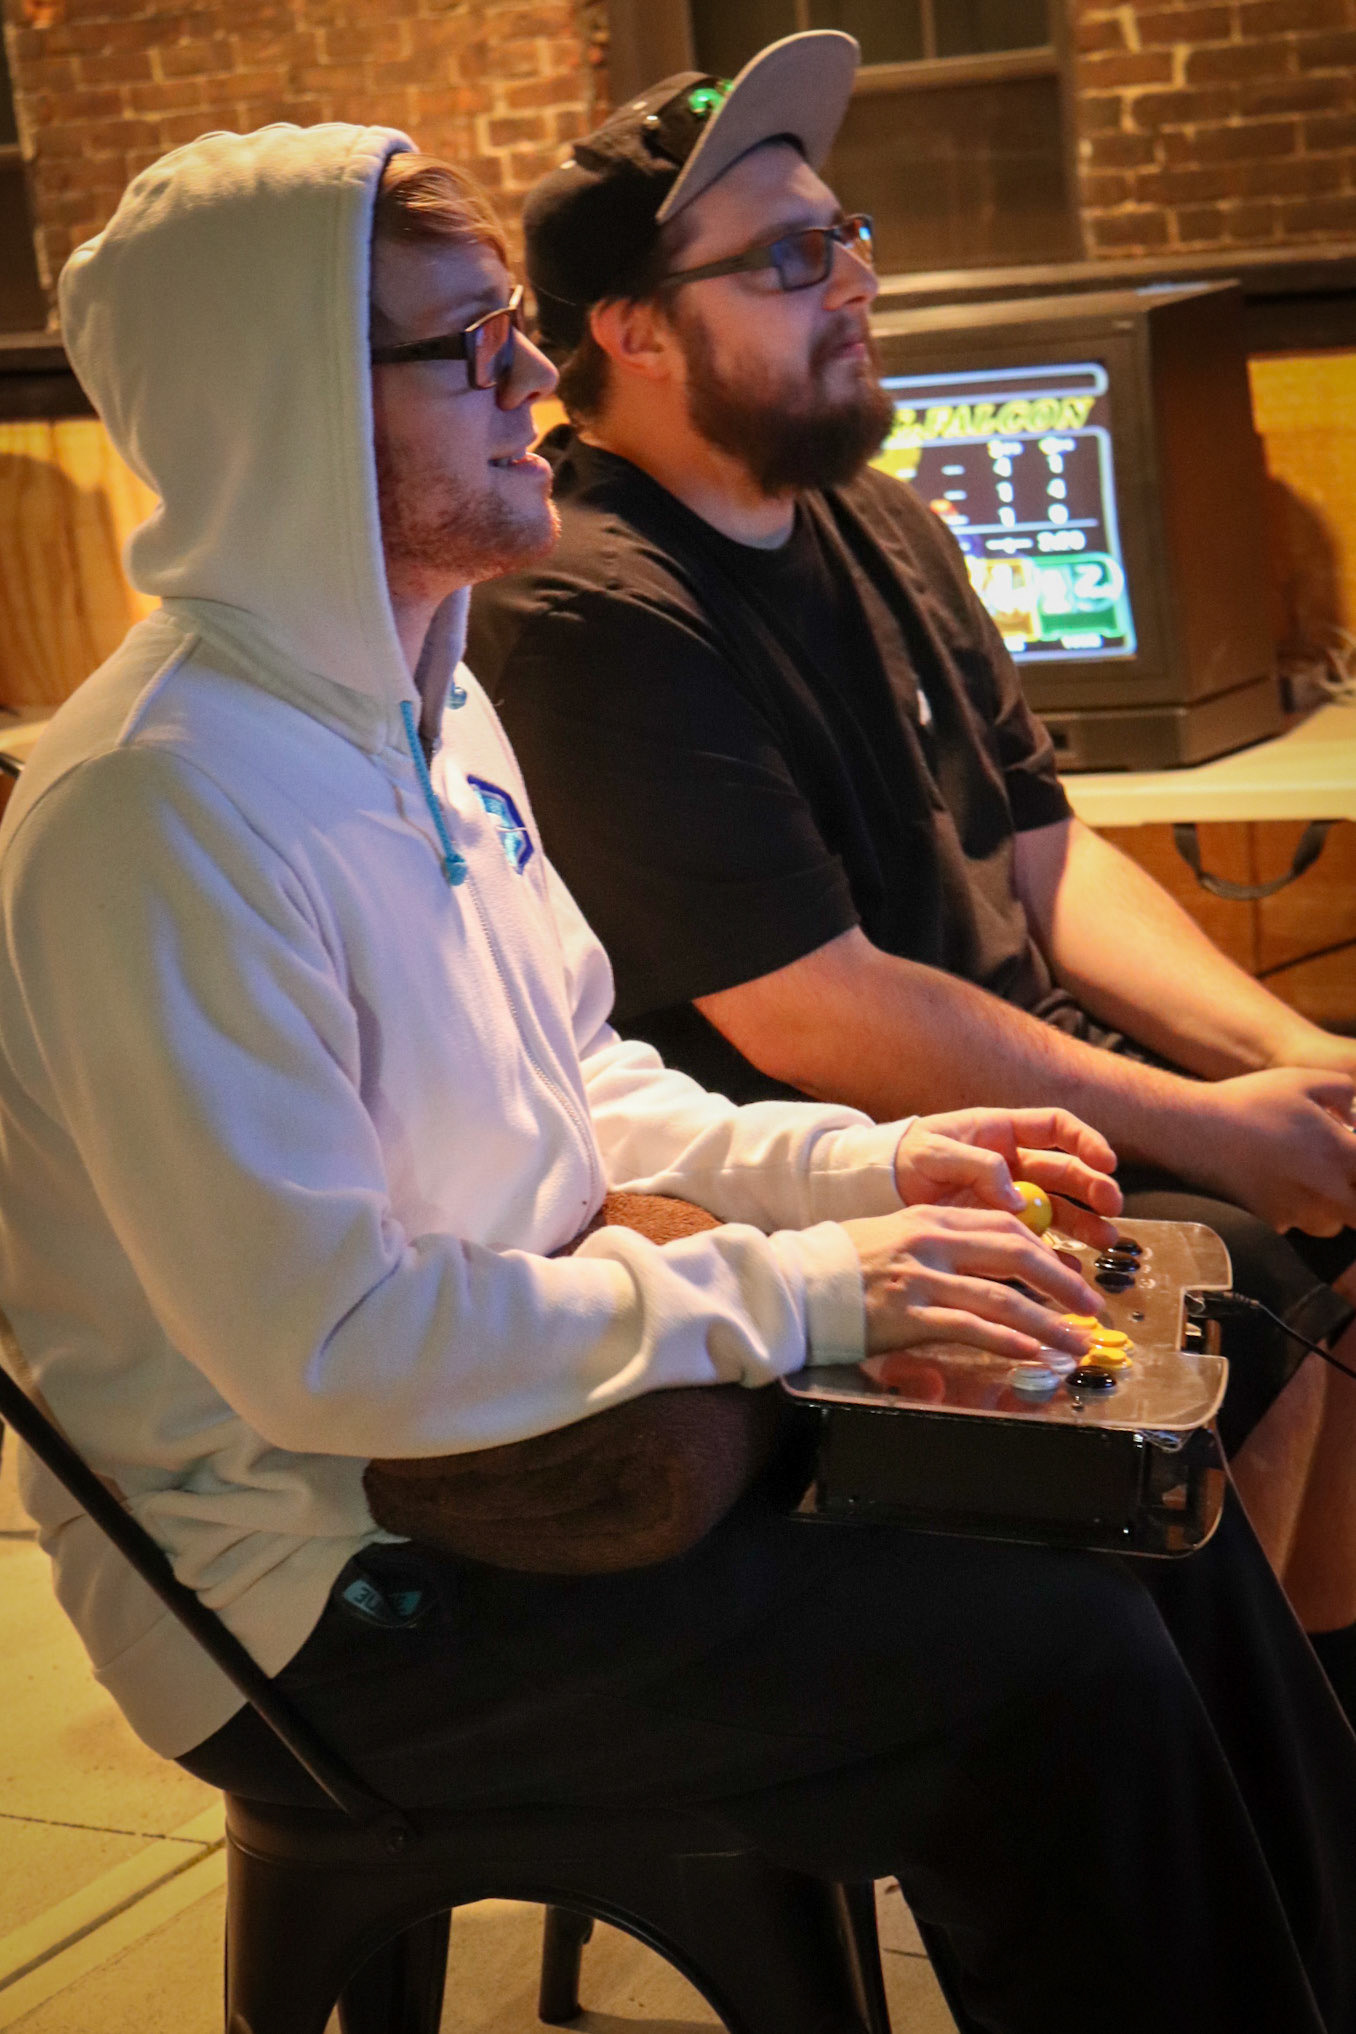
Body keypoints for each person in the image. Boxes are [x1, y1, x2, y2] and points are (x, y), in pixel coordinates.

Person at [3, 117, 1356, 2034]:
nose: (535, 381)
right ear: (278, 408)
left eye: (511, 328)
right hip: (319, 1587)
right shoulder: (158, 808)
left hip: (508, 1441)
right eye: (468, 344)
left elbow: (590, 1085)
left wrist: (871, 1169)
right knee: (1059, 1658)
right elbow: (329, 1352)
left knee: (1142, 1506)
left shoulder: (427, 704)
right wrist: (809, 1286)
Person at [467, 30, 1356, 1714]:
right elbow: (815, 1012)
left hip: (1018, 1099)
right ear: (634, 332)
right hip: (828, 1163)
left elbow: (1047, 846)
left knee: (1334, 1201)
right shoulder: (586, 609)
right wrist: (1205, 1125)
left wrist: (1284, 1059)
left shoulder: (879, 519)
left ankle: (1309, 1733)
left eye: (846, 233)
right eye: (790, 258)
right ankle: (1236, 1766)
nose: (856, 279)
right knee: (1249, 1284)